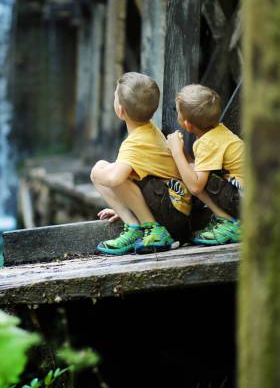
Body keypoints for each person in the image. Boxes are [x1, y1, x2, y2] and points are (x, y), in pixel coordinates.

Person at [91, 72, 192, 255]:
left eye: (115, 96)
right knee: (118, 170)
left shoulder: (135, 144)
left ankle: (148, 229)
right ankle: (137, 221)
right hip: (177, 207)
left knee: (104, 170)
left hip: (173, 215)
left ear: (120, 110)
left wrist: (95, 173)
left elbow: (115, 179)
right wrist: (125, 204)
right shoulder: (149, 130)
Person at [166, 84, 244, 245]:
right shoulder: (218, 132)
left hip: (243, 200)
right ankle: (229, 221)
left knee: (197, 179)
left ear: (187, 125)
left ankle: (230, 224)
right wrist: (185, 157)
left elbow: (196, 187)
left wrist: (176, 152)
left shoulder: (207, 143)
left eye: (178, 112)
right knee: (194, 170)